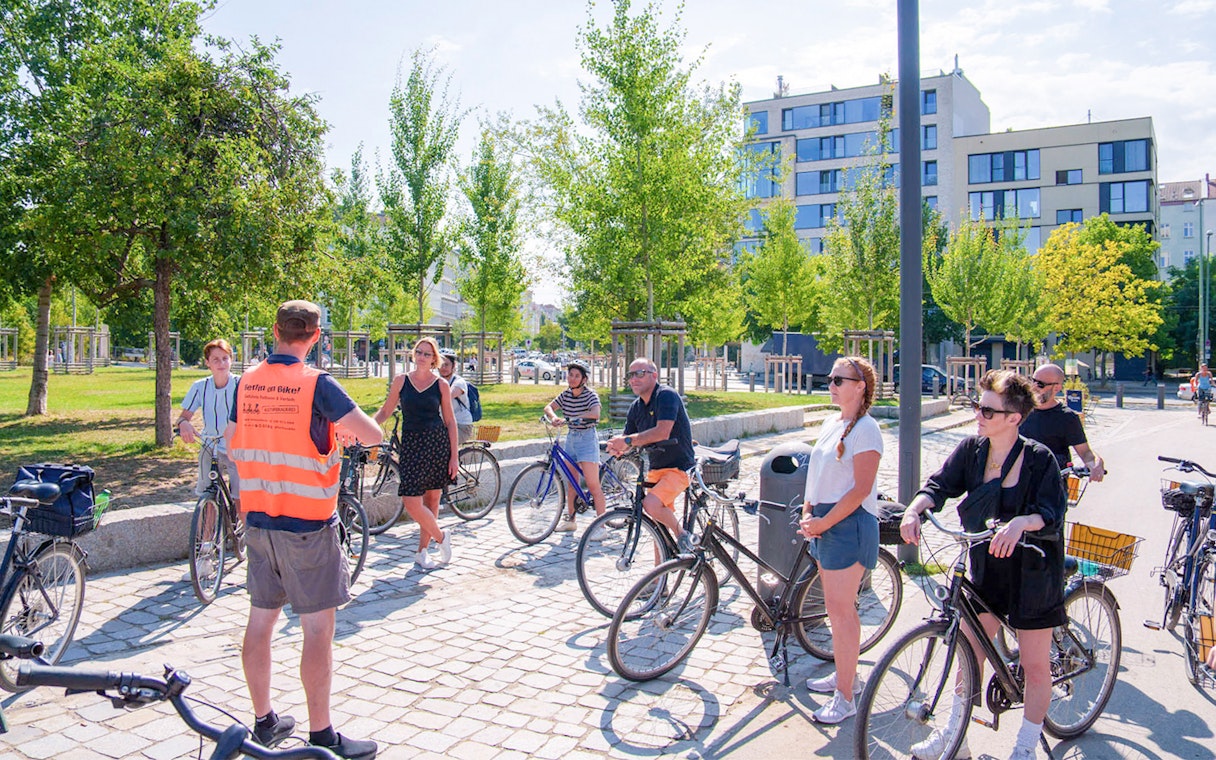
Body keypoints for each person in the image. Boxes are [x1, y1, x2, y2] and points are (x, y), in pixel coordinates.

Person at [225, 300, 383, 760]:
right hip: (308, 526)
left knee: (260, 621)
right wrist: (340, 431)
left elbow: (238, 442)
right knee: (317, 630)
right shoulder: (318, 385)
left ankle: (264, 720)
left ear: (274, 331)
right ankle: (322, 736)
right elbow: (371, 433)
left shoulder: (246, 382)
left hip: (258, 520)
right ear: (316, 337)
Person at [900, 369, 1067, 760]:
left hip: (1033, 573)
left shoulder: (1039, 459)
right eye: (978, 406)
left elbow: (1051, 513)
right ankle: (956, 737)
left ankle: (1025, 747)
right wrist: (914, 510)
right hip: (985, 568)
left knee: (1034, 663)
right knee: (969, 651)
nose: (979, 414)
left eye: (989, 410)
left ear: (1014, 418)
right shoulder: (972, 450)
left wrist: (1022, 523)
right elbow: (939, 485)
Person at [797, 356, 882, 725]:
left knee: (841, 611)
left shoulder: (867, 429)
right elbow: (817, 473)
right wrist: (807, 512)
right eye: (829, 378)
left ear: (860, 385)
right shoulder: (834, 422)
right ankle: (848, 674)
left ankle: (845, 696)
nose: (830, 384)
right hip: (825, 520)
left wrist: (823, 522)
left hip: (848, 523)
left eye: (838, 379)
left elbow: (861, 489)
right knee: (837, 609)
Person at [372, 337, 459, 571]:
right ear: (413, 354)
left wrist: (454, 456)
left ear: (434, 359)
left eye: (427, 354)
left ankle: (422, 552)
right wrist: (366, 427)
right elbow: (386, 411)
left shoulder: (441, 384)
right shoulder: (401, 381)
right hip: (411, 445)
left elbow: (450, 422)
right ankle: (442, 537)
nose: (422, 356)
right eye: (419, 352)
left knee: (432, 500)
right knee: (411, 501)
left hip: (436, 445)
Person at [606, 358, 696, 553]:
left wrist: (628, 441)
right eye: (631, 375)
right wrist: (618, 447)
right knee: (658, 527)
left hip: (679, 467)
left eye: (640, 373)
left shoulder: (666, 396)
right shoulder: (636, 407)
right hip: (656, 469)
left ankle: (683, 536)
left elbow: (662, 432)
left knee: (651, 505)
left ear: (654, 375)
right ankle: (660, 578)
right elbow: (628, 439)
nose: (634, 379)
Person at [177, 339, 241, 512]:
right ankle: (207, 538)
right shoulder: (200, 387)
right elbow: (183, 417)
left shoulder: (242, 385)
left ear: (231, 360)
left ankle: (244, 537)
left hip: (237, 449)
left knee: (240, 500)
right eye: (215, 359)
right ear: (207, 363)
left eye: (225, 358)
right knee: (208, 495)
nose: (221, 363)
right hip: (210, 446)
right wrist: (184, 425)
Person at [545, 360, 606, 532]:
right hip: (571, 438)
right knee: (572, 482)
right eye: (570, 375)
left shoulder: (590, 395)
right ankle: (571, 520)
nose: (572, 378)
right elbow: (549, 407)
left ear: (584, 379)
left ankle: (601, 527)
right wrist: (553, 417)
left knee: (593, 485)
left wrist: (573, 417)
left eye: (576, 376)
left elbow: (595, 413)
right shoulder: (566, 395)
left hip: (587, 439)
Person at [1019, 363, 1105, 482]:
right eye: (1032, 381)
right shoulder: (1018, 409)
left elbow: (1085, 452)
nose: (1034, 387)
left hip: (1051, 486)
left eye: (1040, 384)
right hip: (1019, 483)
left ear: (1057, 388)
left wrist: (1095, 463)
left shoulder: (1067, 418)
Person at [439, 349, 474, 446]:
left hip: (461, 426)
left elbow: (447, 396)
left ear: (453, 366)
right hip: (444, 424)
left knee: (439, 444)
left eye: (446, 364)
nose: (443, 367)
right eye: (441, 364)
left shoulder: (459, 382)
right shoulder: (436, 381)